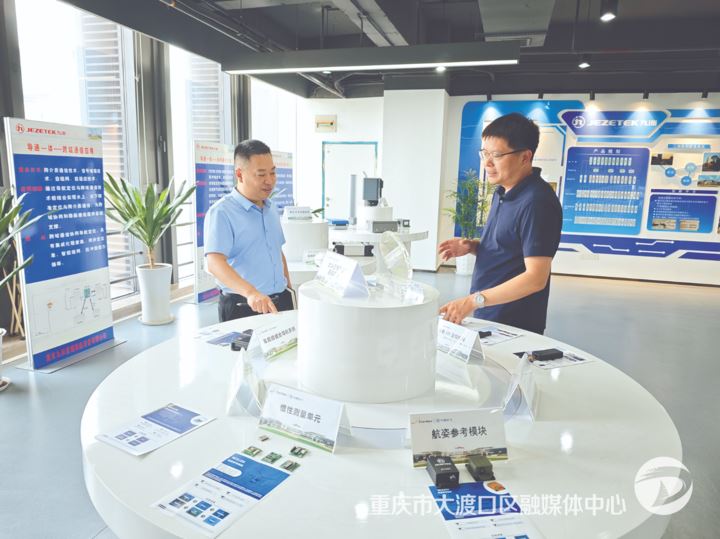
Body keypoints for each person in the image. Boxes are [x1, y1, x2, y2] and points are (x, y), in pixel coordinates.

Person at [439, 113, 562, 334]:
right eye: (484, 153)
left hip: (515, 322)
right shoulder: (502, 192)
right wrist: (473, 246)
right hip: (489, 312)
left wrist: (472, 301)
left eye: (496, 155)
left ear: (525, 157)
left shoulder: (537, 202)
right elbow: (508, 247)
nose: (487, 163)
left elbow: (536, 278)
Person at [204, 139, 293, 322]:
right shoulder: (222, 212)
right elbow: (214, 263)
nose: (269, 181)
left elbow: (277, 252)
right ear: (240, 174)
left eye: (272, 172)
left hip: (281, 301)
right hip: (243, 305)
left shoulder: (271, 208)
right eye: (261, 174)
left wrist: (289, 290)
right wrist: (251, 293)